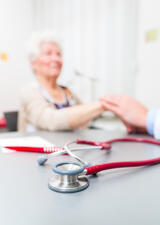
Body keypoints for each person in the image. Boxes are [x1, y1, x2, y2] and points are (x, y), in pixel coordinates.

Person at [18, 31, 106, 132]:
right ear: (33, 62)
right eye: (48, 54)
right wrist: (103, 104)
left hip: (71, 146)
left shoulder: (67, 92)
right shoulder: (29, 91)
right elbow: (51, 120)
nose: (56, 59)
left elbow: (85, 119)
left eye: (58, 54)